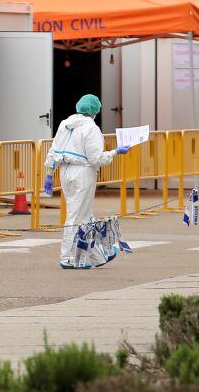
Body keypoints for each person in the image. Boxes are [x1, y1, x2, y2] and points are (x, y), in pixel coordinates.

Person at [44, 93, 131, 269]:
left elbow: (53, 150)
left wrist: (49, 172)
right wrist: (115, 152)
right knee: (76, 216)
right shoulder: (91, 129)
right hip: (82, 173)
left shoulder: (65, 124)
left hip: (65, 171)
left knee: (84, 214)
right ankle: (67, 258)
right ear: (95, 111)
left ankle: (97, 255)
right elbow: (96, 158)